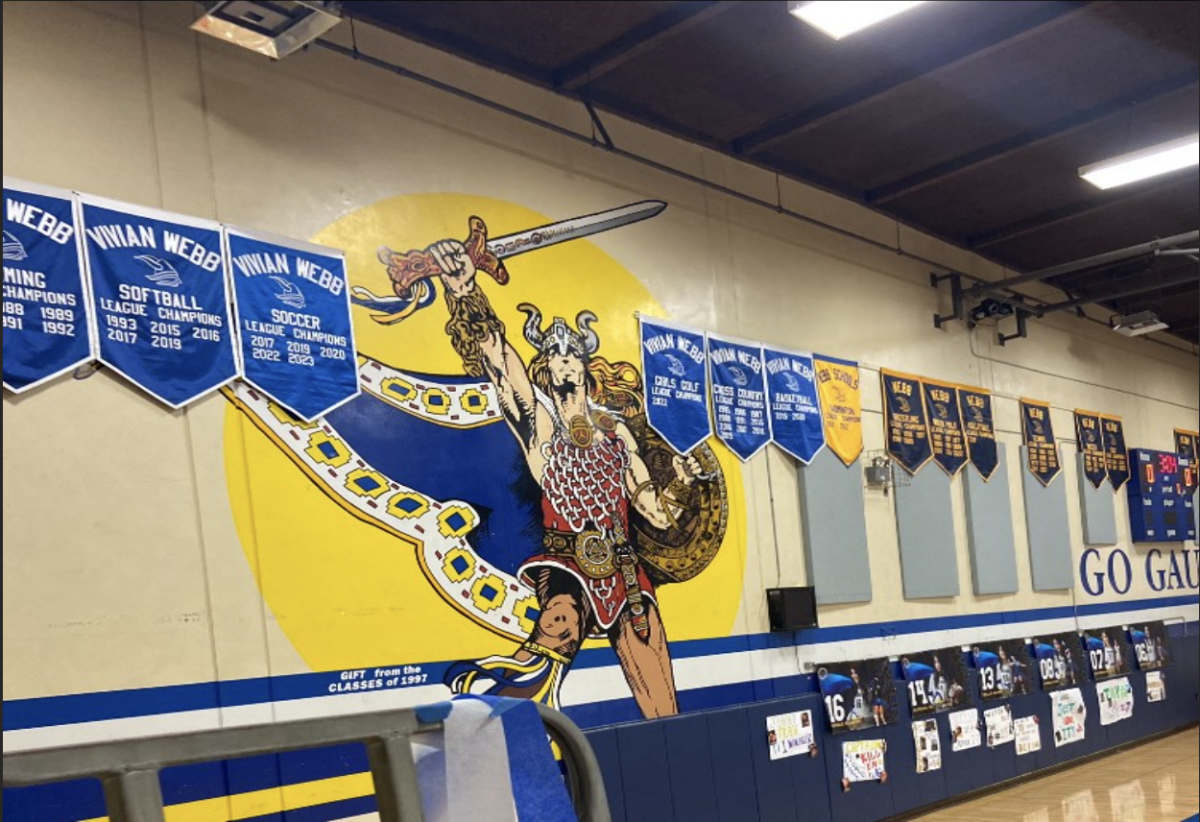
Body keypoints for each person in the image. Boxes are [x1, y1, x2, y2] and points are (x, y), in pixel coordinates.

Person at [423, 238, 708, 718]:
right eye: (554, 353)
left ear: (584, 363)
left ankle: (672, 754)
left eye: (571, 352)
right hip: (566, 562)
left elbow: (654, 511)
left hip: (624, 569)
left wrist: (681, 481)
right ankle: (479, 725)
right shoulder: (539, 420)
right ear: (545, 366)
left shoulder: (614, 431)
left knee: (661, 694)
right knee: (555, 632)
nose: (563, 358)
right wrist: (465, 290)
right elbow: (498, 360)